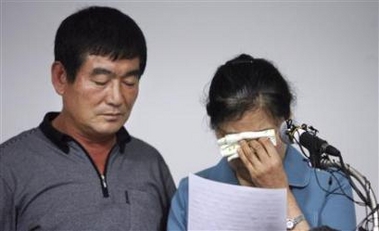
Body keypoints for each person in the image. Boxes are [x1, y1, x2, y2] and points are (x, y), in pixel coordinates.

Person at [0, 6, 176, 230]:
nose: (116, 98)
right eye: (101, 81)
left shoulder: (150, 163)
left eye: (129, 82)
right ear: (61, 77)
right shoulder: (9, 167)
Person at [167, 54, 356, 230]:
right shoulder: (190, 193)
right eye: (234, 140)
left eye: (258, 138)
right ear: (217, 131)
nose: (247, 152)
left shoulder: (330, 185)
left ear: (285, 124)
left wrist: (281, 195)